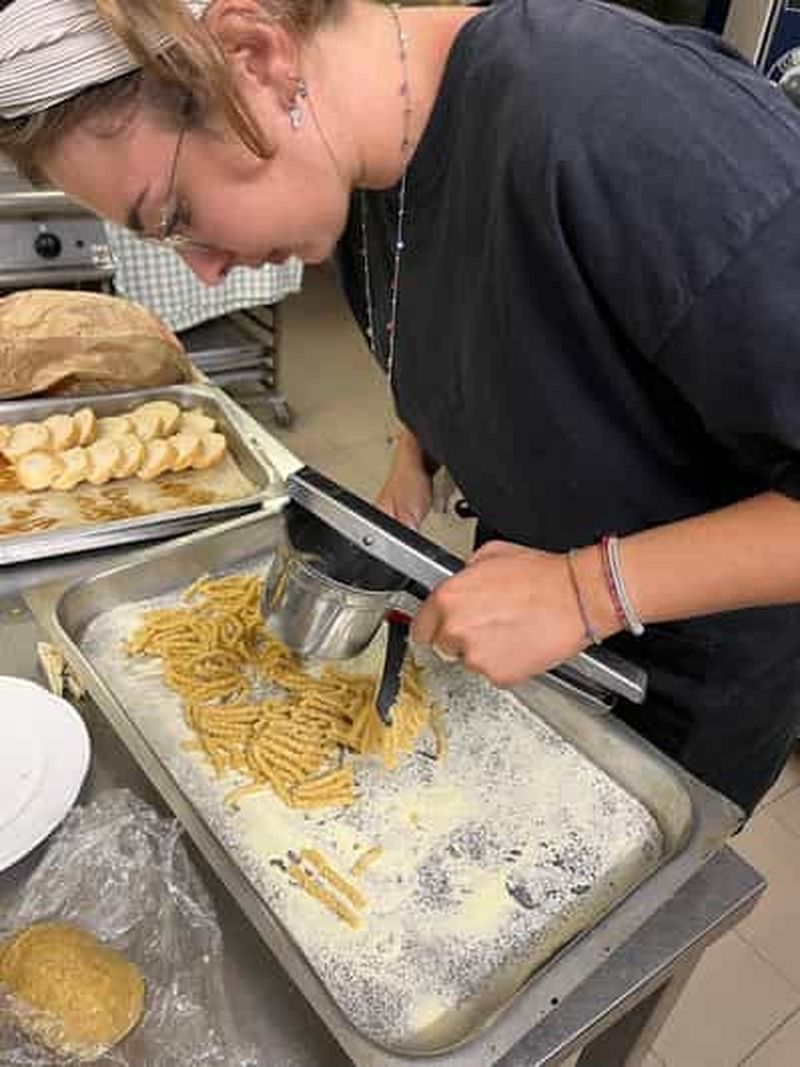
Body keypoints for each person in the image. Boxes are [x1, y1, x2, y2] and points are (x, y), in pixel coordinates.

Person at [2, 0, 800, 817]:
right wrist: (416, 452)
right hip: (533, 615)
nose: (204, 273)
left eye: (175, 216)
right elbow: (474, 305)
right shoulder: (363, 170)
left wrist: (585, 591)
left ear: (254, 58)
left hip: (684, 669)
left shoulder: (616, 117)